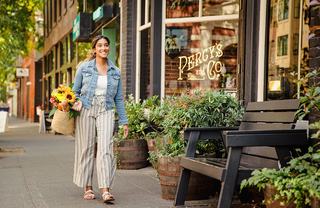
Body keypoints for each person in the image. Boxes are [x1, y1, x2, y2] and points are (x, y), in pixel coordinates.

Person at [72, 34, 129, 203]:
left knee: (106, 148)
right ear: (94, 49)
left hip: (106, 109)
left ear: (109, 48)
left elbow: (118, 98)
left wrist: (124, 121)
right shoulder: (84, 68)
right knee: (87, 148)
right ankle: (88, 187)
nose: (103, 48)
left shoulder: (115, 71)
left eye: (106, 45)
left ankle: (105, 190)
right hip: (86, 108)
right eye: (100, 45)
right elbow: (74, 92)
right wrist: (74, 102)